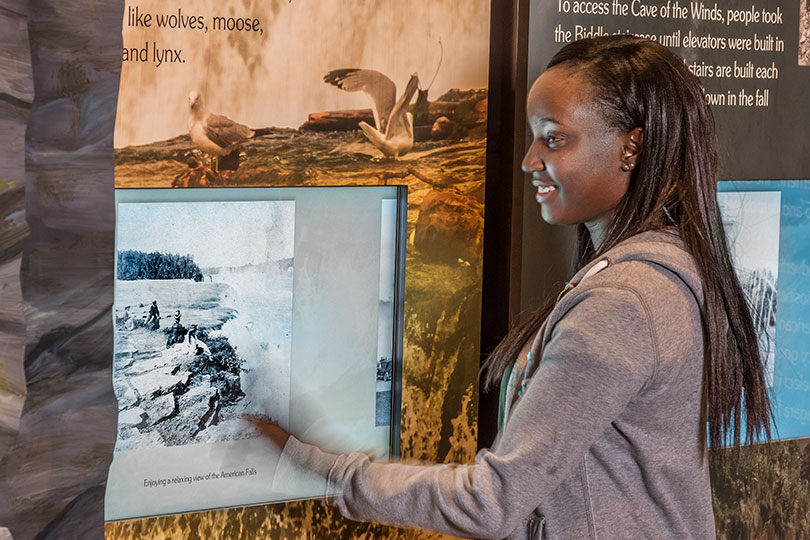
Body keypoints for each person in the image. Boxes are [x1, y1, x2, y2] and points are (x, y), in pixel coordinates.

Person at [250, 36, 773, 539]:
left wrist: (324, 468)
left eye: (555, 138)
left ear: (631, 147)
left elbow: (491, 502)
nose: (528, 160)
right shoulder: (666, 267)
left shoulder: (624, 302)